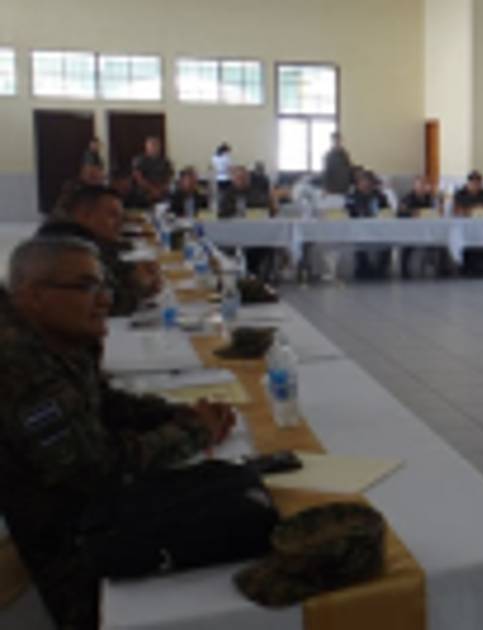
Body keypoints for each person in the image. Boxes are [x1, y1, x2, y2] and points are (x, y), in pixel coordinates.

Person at [0, 237, 235, 630]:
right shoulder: (18, 364)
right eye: (86, 287)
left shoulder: (51, 334)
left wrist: (174, 414)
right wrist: (193, 431)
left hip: (87, 516)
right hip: (71, 552)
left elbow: (102, 402)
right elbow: (96, 471)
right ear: (33, 295)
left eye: (104, 286)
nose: (105, 300)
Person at [36, 185, 160, 316]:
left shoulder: (92, 241)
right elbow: (101, 303)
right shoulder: (67, 250)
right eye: (112, 215)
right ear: (84, 216)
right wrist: (139, 288)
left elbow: (109, 267)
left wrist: (132, 271)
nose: (120, 223)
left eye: (121, 217)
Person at [220, 167, 280, 280]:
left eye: (244, 178)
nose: (242, 181)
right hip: (232, 234)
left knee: (267, 245)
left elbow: (268, 210)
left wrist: (270, 204)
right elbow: (222, 212)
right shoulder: (227, 194)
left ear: (249, 179)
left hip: (256, 235)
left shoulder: (257, 192)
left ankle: (258, 275)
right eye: (239, 178)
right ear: (234, 180)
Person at [346, 171, 392, 279]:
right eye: (363, 182)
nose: (366, 185)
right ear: (358, 184)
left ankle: (381, 269)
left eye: (368, 182)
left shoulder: (380, 196)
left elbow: (387, 211)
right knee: (358, 239)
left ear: (372, 183)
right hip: (358, 228)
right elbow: (348, 212)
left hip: (379, 228)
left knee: (389, 239)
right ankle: (363, 267)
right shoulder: (352, 196)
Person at [131, 136, 174, 204]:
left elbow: (169, 177)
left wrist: (160, 190)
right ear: (146, 147)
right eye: (152, 145)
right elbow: (138, 178)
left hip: (162, 192)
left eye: (157, 145)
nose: (154, 147)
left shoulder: (165, 161)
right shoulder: (139, 160)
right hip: (145, 192)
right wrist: (153, 190)